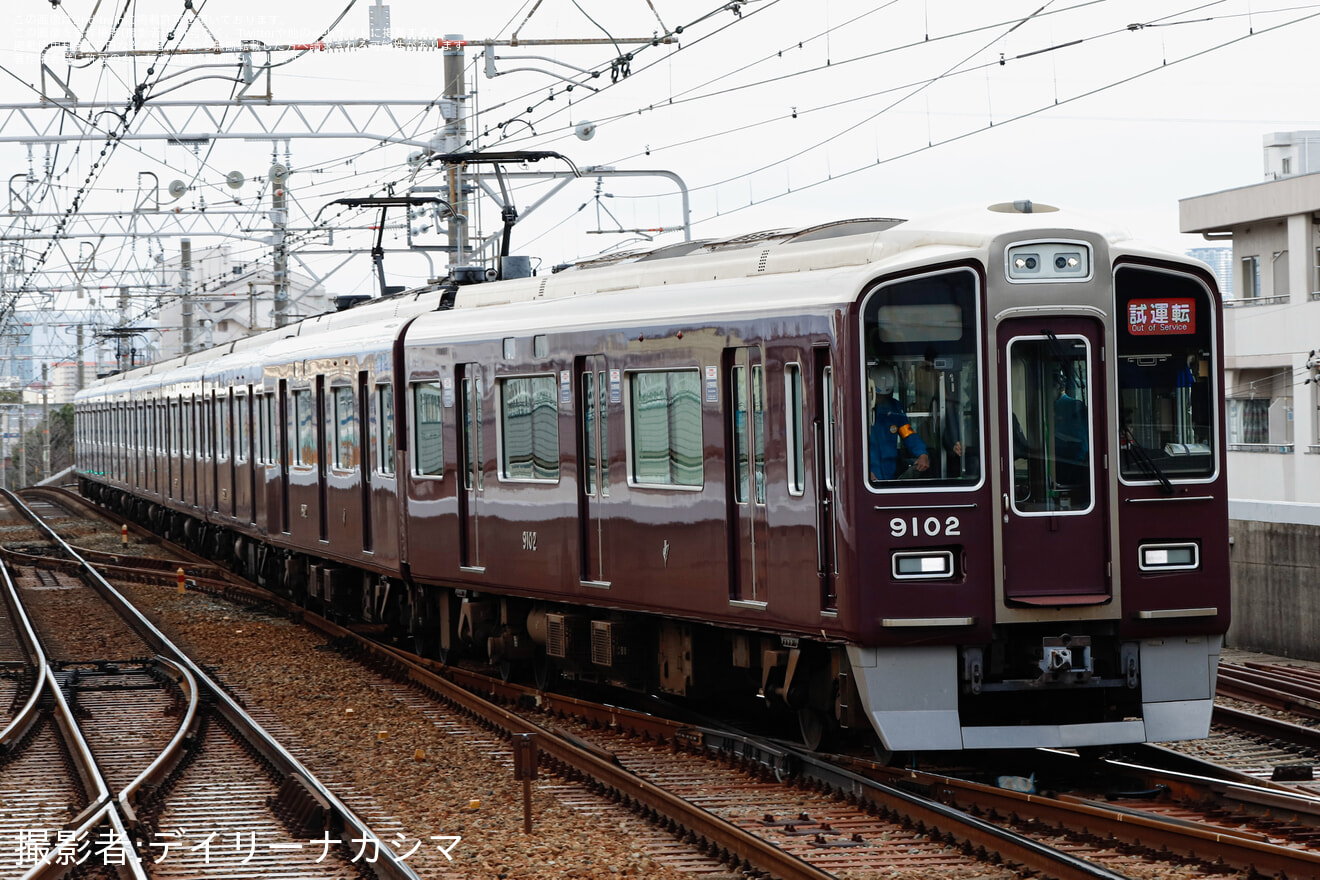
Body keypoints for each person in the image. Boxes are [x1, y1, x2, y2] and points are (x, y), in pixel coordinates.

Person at [869, 365, 930, 481]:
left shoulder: (894, 408)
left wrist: (922, 454)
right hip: (869, 472)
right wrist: (862, 471)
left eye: (886, 396)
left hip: (889, 471)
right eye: (880, 396)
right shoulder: (859, 409)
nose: (883, 399)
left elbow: (907, 433)